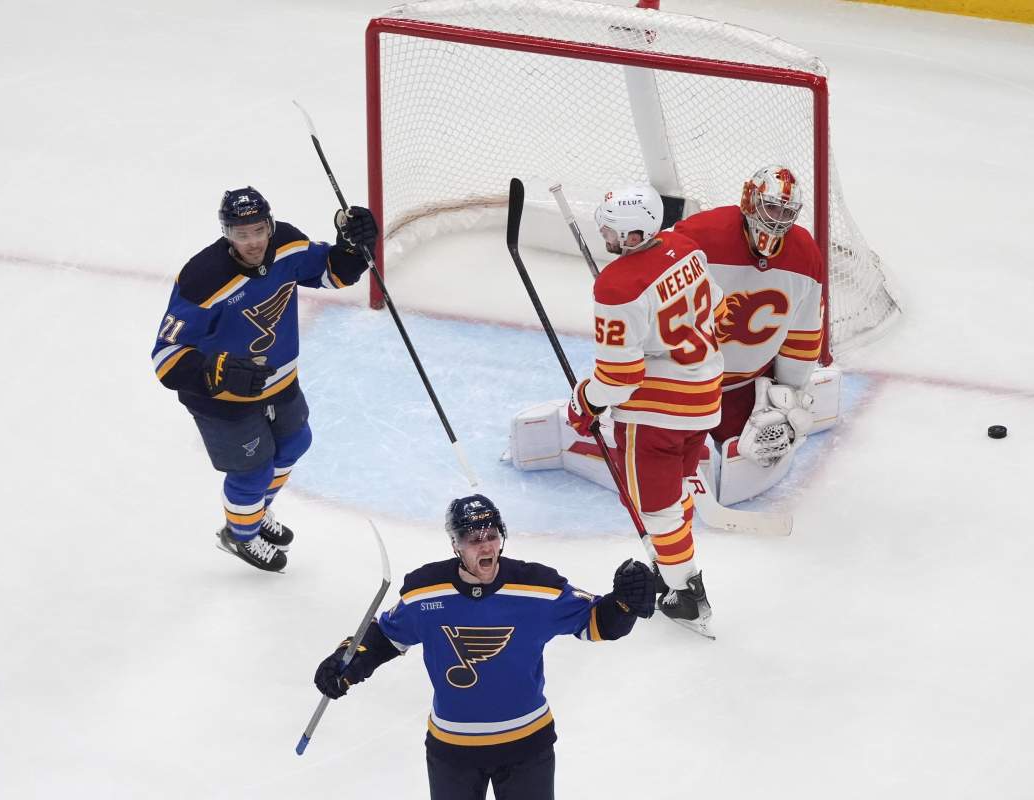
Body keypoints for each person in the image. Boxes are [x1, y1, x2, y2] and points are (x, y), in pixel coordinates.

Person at [313, 494, 656, 800]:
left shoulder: (538, 588)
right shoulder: (424, 592)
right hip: (452, 751)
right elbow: (384, 636)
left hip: (527, 748)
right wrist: (347, 661)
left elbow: (598, 623)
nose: (486, 546)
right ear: (455, 545)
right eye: (473, 539)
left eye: (492, 536)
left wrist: (624, 605)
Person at [150, 187, 379, 572]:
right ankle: (240, 535)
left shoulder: (286, 244)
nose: (253, 242)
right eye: (241, 234)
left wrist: (353, 247)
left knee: (296, 443)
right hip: (219, 400)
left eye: (258, 229)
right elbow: (166, 358)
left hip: (280, 382)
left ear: (270, 225)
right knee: (252, 470)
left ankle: (252, 512)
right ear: (226, 233)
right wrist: (217, 371)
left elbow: (330, 273)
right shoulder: (202, 280)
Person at [564, 184, 725, 632]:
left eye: (612, 231)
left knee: (655, 508)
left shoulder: (617, 286)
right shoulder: (685, 247)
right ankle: (677, 565)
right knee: (675, 493)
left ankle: (686, 594)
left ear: (635, 235)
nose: (606, 236)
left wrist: (583, 403)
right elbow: (718, 306)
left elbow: (619, 379)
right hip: (704, 397)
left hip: (656, 416)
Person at [672, 164, 831, 505]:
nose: (777, 219)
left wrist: (789, 390)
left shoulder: (804, 253)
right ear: (749, 199)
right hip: (680, 381)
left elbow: (802, 335)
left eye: (787, 211)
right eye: (771, 207)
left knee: (755, 443)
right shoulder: (700, 234)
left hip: (743, 385)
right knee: (662, 447)